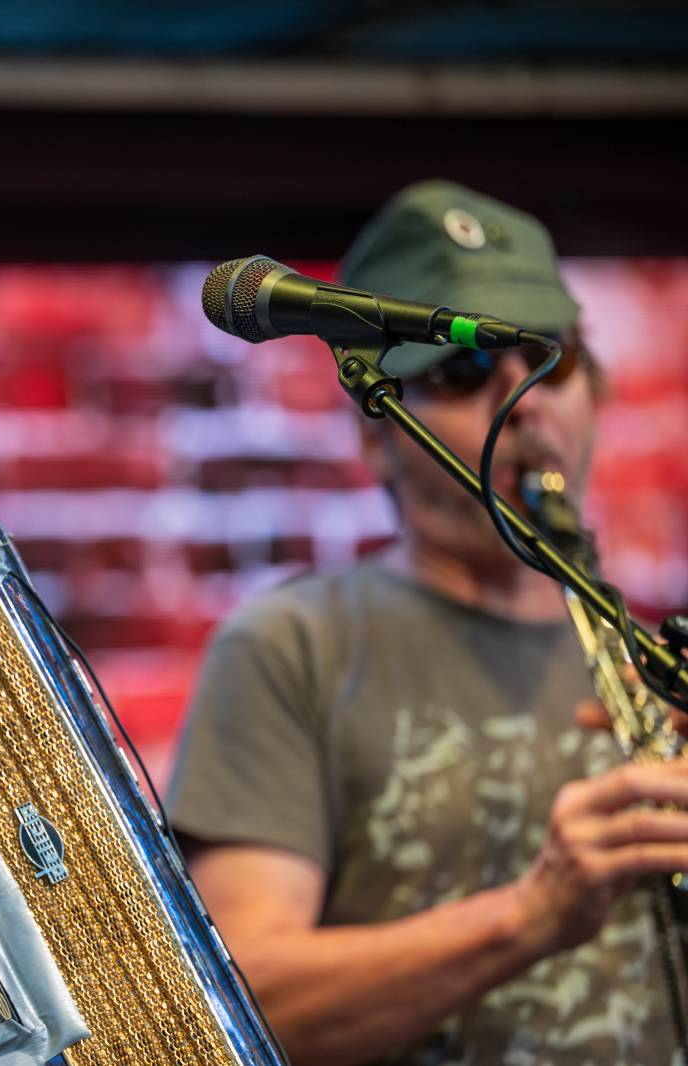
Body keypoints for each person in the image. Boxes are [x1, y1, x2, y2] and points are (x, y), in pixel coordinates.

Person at [167, 180, 688, 1065]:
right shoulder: (293, 646)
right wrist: (530, 916)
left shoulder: (643, 653)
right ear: (377, 430)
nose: (527, 405)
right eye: (461, 371)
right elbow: (236, 1008)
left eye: (550, 361)